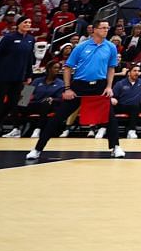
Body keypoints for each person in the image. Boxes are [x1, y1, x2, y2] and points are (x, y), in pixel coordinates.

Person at [26, 21, 126, 162]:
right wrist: (67, 88)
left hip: (99, 86)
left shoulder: (111, 47)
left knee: (110, 118)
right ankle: (37, 149)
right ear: (94, 29)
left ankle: (115, 147)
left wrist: (109, 87)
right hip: (80, 85)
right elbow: (67, 68)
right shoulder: (81, 47)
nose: (106, 30)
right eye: (103, 28)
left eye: (107, 28)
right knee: (57, 118)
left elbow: (111, 68)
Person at [0, 18, 36, 150]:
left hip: (18, 78)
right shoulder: (8, 38)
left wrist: (29, 75)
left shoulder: (31, 39)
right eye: (25, 22)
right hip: (3, 77)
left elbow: (29, 59)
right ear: (18, 25)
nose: (28, 24)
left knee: (13, 105)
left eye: (29, 22)